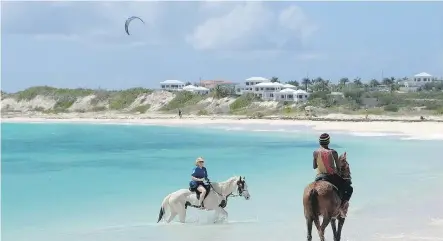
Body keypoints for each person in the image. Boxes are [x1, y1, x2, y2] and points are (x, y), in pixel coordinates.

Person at [313, 133, 353, 216]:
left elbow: (314, 166)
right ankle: (342, 206)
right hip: (330, 176)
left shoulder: (315, 152)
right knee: (349, 188)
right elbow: (338, 168)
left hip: (318, 177)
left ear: (320, 142)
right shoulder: (333, 152)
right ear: (328, 142)